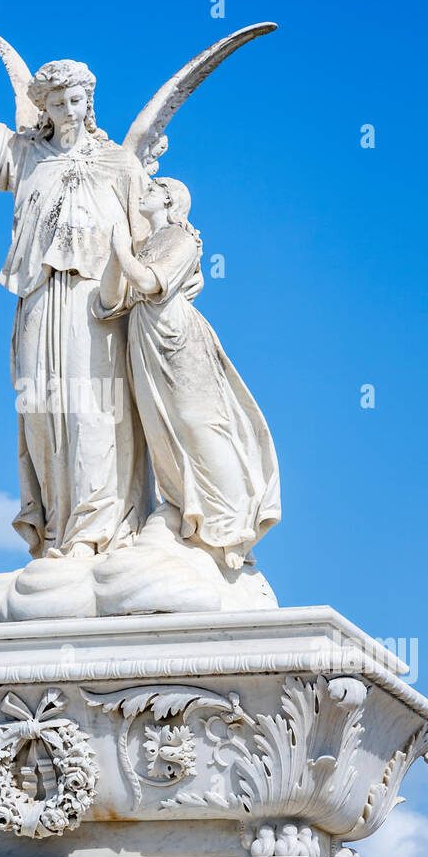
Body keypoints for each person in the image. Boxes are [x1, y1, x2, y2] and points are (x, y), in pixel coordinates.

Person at [0, 0, 150, 558]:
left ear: (90, 101)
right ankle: (56, 533)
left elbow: (151, 240)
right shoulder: (24, 155)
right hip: (38, 294)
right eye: (54, 100)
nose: (66, 108)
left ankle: (95, 531)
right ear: (44, 105)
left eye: (75, 98)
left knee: (93, 409)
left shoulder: (119, 165)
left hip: (101, 301)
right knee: (41, 410)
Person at [97, 175, 280, 571]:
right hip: (145, 341)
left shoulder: (180, 240)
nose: (144, 192)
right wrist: (120, 254)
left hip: (178, 338)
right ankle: (191, 514)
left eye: (152, 189)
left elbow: (148, 281)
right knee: (166, 434)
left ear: (169, 201)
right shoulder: (143, 245)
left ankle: (234, 526)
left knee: (199, 424)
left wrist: (120, 251)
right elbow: (110, 300)